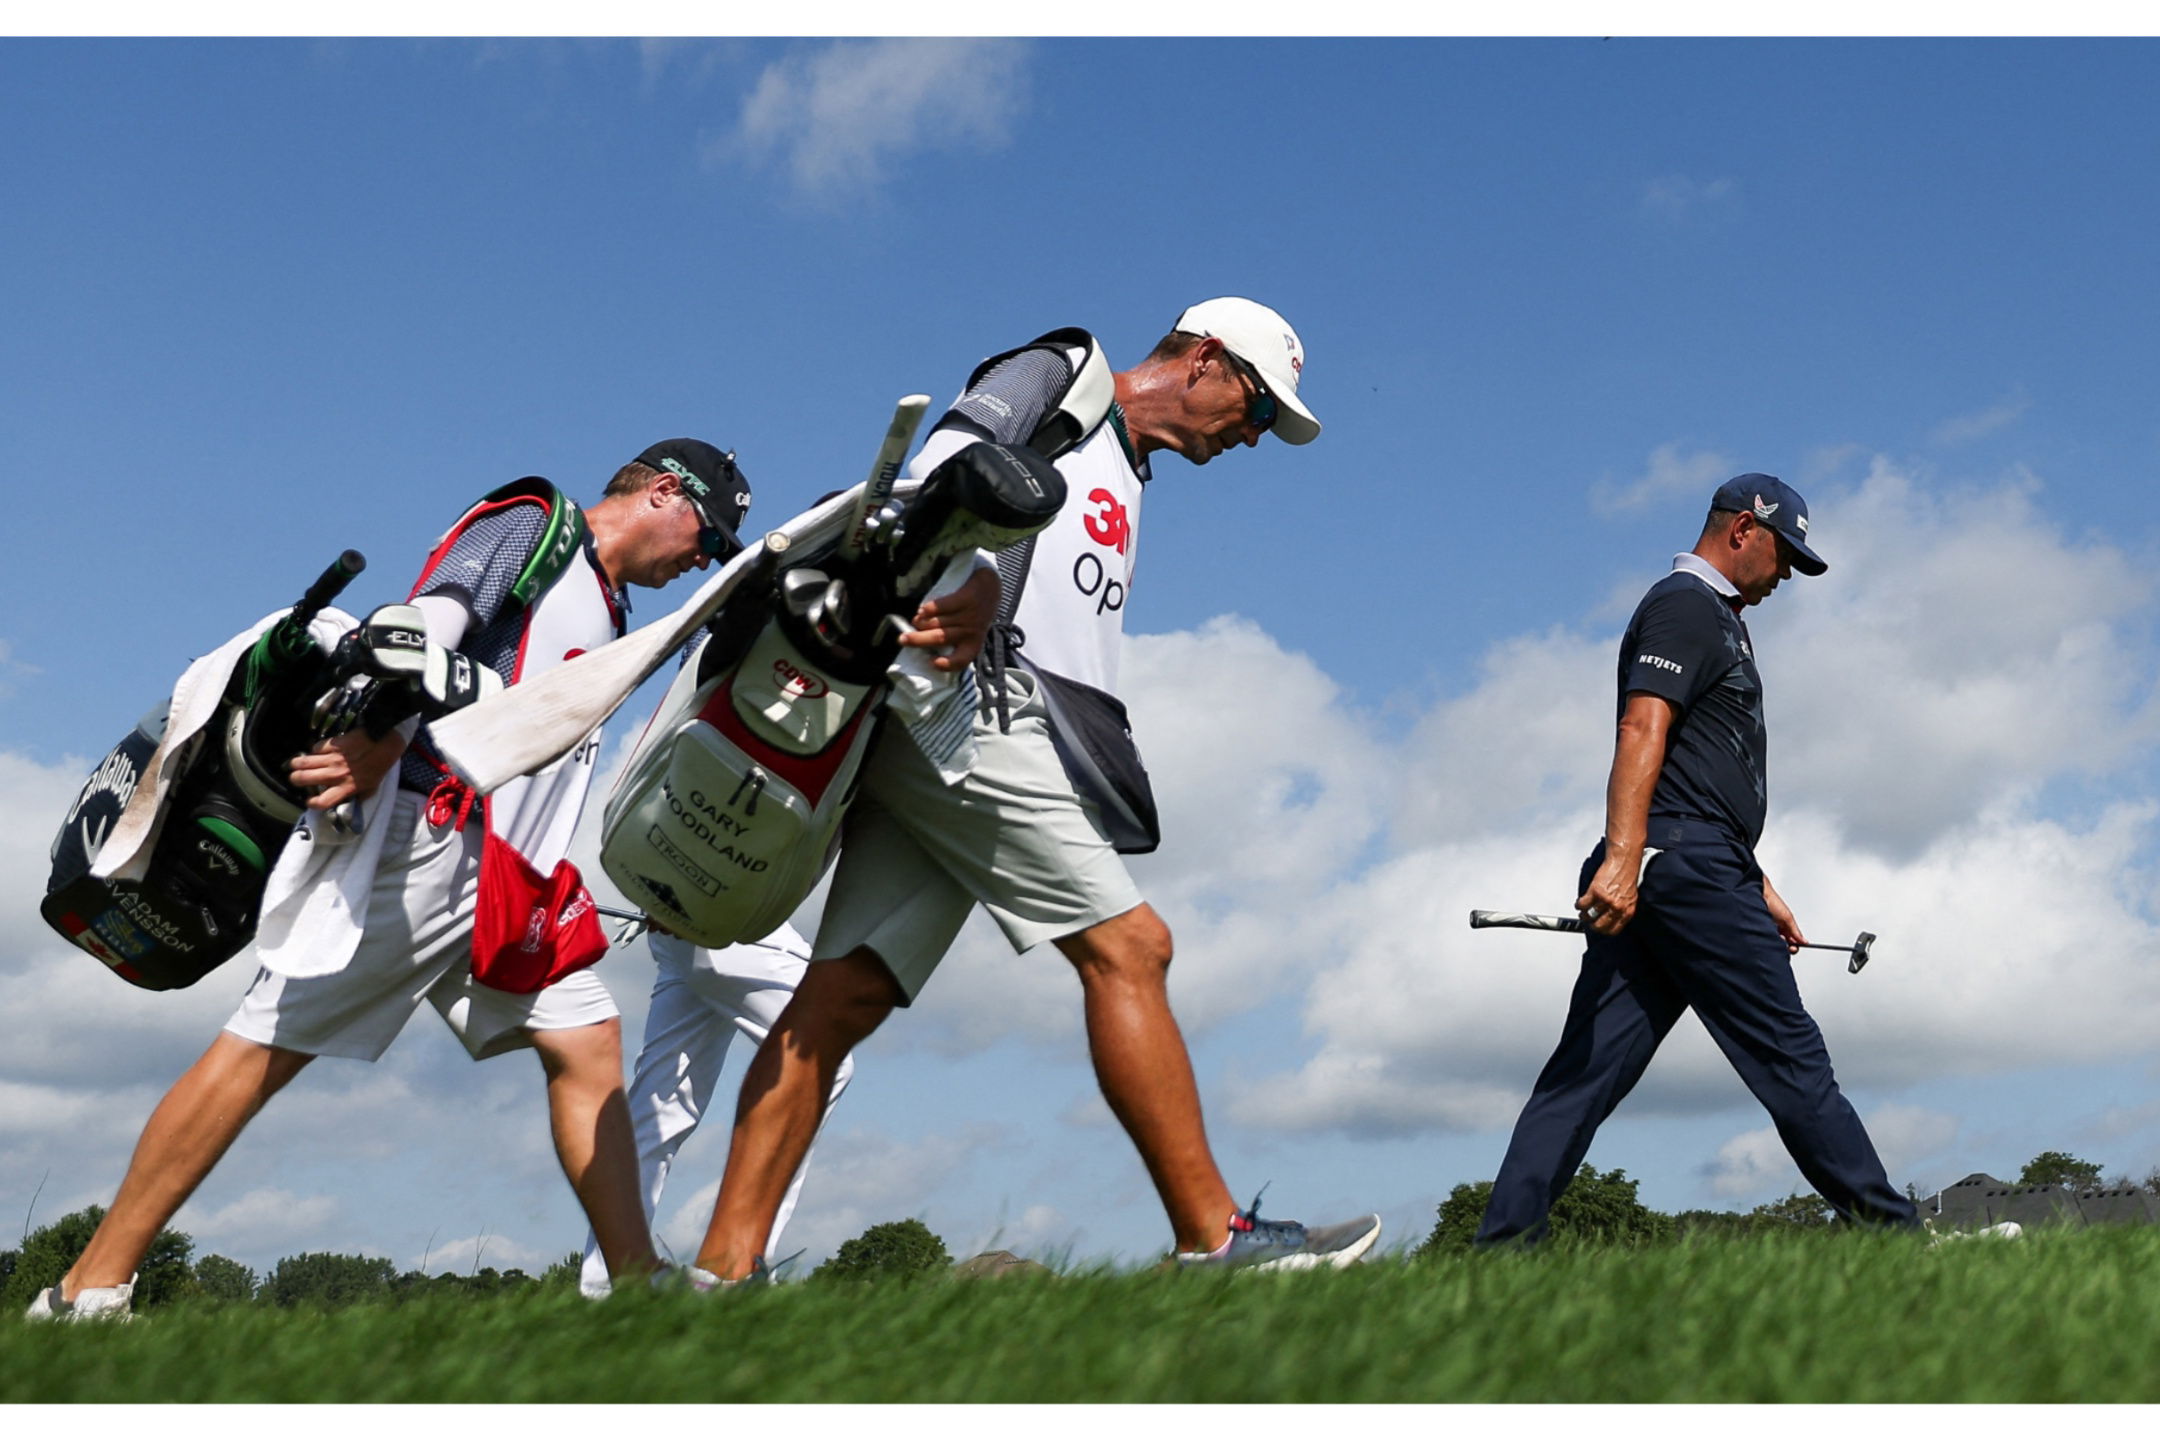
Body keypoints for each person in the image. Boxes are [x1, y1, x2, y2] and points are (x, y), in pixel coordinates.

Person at [686, 298, 1382, 1286]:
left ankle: (719, 1275)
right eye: (1259, 409)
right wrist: (970, 575)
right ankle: (1216, 1241)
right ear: (1207, 364)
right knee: (1132, 947)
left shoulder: (1125, 471)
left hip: (952, 735)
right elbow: (945, 467)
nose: (1255, 435)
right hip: (965, 715)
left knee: (840, 997)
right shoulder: (1065, 370)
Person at [30, 440, 758, 1320]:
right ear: (663, 494)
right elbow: (420, 626)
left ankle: (638, 1288)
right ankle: (87, 1290)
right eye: (706, 538)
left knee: (588, 1041)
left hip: (496, 875)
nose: (700, 561)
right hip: (420, 846)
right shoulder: (535, 524)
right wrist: (380, 723)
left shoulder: (609, 604)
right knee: (260, 1050)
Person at [1474, 474, 1919, 1245]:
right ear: (1745, 530)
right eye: (1785, 555)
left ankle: (1503, 1246)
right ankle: (1897, 1237)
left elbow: (1700, 769)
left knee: (1585, 1073)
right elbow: (1642, 731)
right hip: (1679, 867)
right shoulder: (1685, 607)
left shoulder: (1718, 618)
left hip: (1681, 863)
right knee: (1790, 1057)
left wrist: (1758, 881)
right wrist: (1623, 859)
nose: (1786, 576)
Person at [572, 922, 852, 1299]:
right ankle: (738, 1271)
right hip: (732, 927)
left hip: (681, 931)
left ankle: (605, 1284)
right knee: (823, 1062)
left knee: (658, 1108)